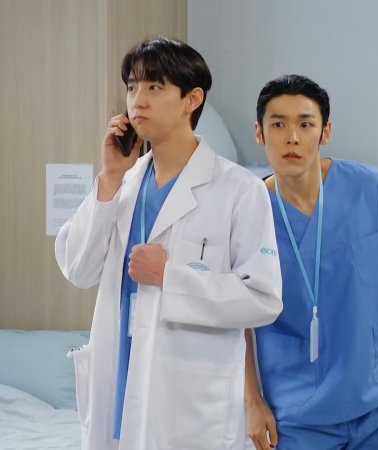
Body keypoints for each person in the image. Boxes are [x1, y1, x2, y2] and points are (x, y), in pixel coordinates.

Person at [55, 37, 282, 450]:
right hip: (117, 389)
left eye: (154, 87)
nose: (137, 101)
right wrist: (109, 178)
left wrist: (170, 277)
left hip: (187, 406)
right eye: (132, 87)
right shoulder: (124, 182)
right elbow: (77, 268)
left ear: (191, 99)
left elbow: (263, 299)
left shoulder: (239, 189)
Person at [244, 74, 378, 450]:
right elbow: (239, 318)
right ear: (259, 133)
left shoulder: (372, 188)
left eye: (305, 124)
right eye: (278, 125)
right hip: (297, 412)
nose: (292, 137)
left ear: (325, 132)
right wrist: (252, 401)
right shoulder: (249, 213)